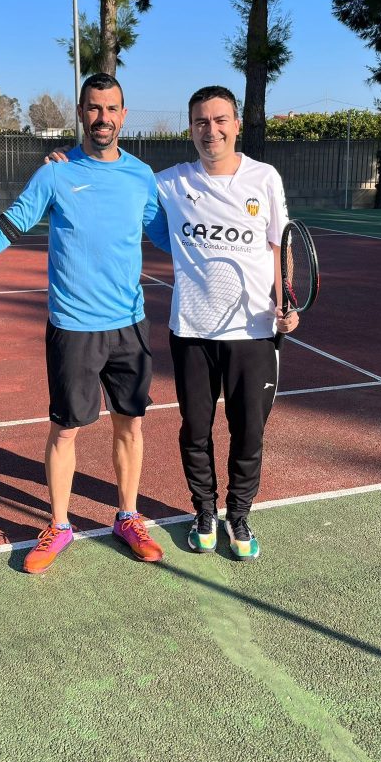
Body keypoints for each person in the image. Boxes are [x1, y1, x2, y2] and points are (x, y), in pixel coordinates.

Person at [0, 72, 171, 574]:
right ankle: (60, 525)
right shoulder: (55, 173)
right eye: (94, 108)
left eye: (111, 109)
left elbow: (169, 236)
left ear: (123, 116)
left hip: (129, 325)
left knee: (131, 424)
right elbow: (11, 224)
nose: (103, 118)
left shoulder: (141, 176)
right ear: (81, 113)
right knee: (65, 431)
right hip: (73, 326)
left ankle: (128, 517)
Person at [155, 85, 298, 560]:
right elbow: (117, 177)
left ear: (236, 125)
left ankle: (238, 514)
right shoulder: (170, 182)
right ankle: (204, 511)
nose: (210, 130)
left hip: (253, 333)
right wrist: (67, 161)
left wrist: (287, 300)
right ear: (190, 128)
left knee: (248, 433)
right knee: (195, 430)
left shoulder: (265, 178)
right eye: (201, 121)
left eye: (220, 120)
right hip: (191, 332)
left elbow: (279, 246)